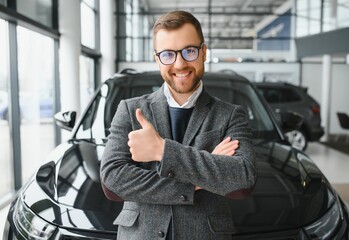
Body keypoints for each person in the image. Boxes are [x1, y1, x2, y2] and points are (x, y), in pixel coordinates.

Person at [100, 10, 257, 240]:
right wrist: (200, 179)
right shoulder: (130, 110)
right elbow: (112, 181)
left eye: (189, 51)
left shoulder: (231, 115)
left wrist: (162, 151)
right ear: (157, 58)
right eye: (168, 54)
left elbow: (243, 178)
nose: (180, 63)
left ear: (203, 52)